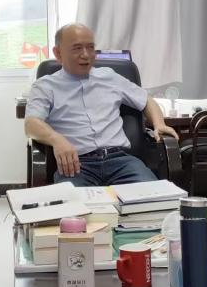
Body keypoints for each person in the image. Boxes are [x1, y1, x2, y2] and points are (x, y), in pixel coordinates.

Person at [24, 23, 179, 187]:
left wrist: (159, 124)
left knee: (154, 194)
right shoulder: (45, 86)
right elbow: (31, 124)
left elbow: (146, 100)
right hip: (76, 165)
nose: (86, 55)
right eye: (77, 48)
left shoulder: (109, 77)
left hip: (120, 161)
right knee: (74, 203)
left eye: (91, 47)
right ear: (58, 53)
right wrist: (57, 140)